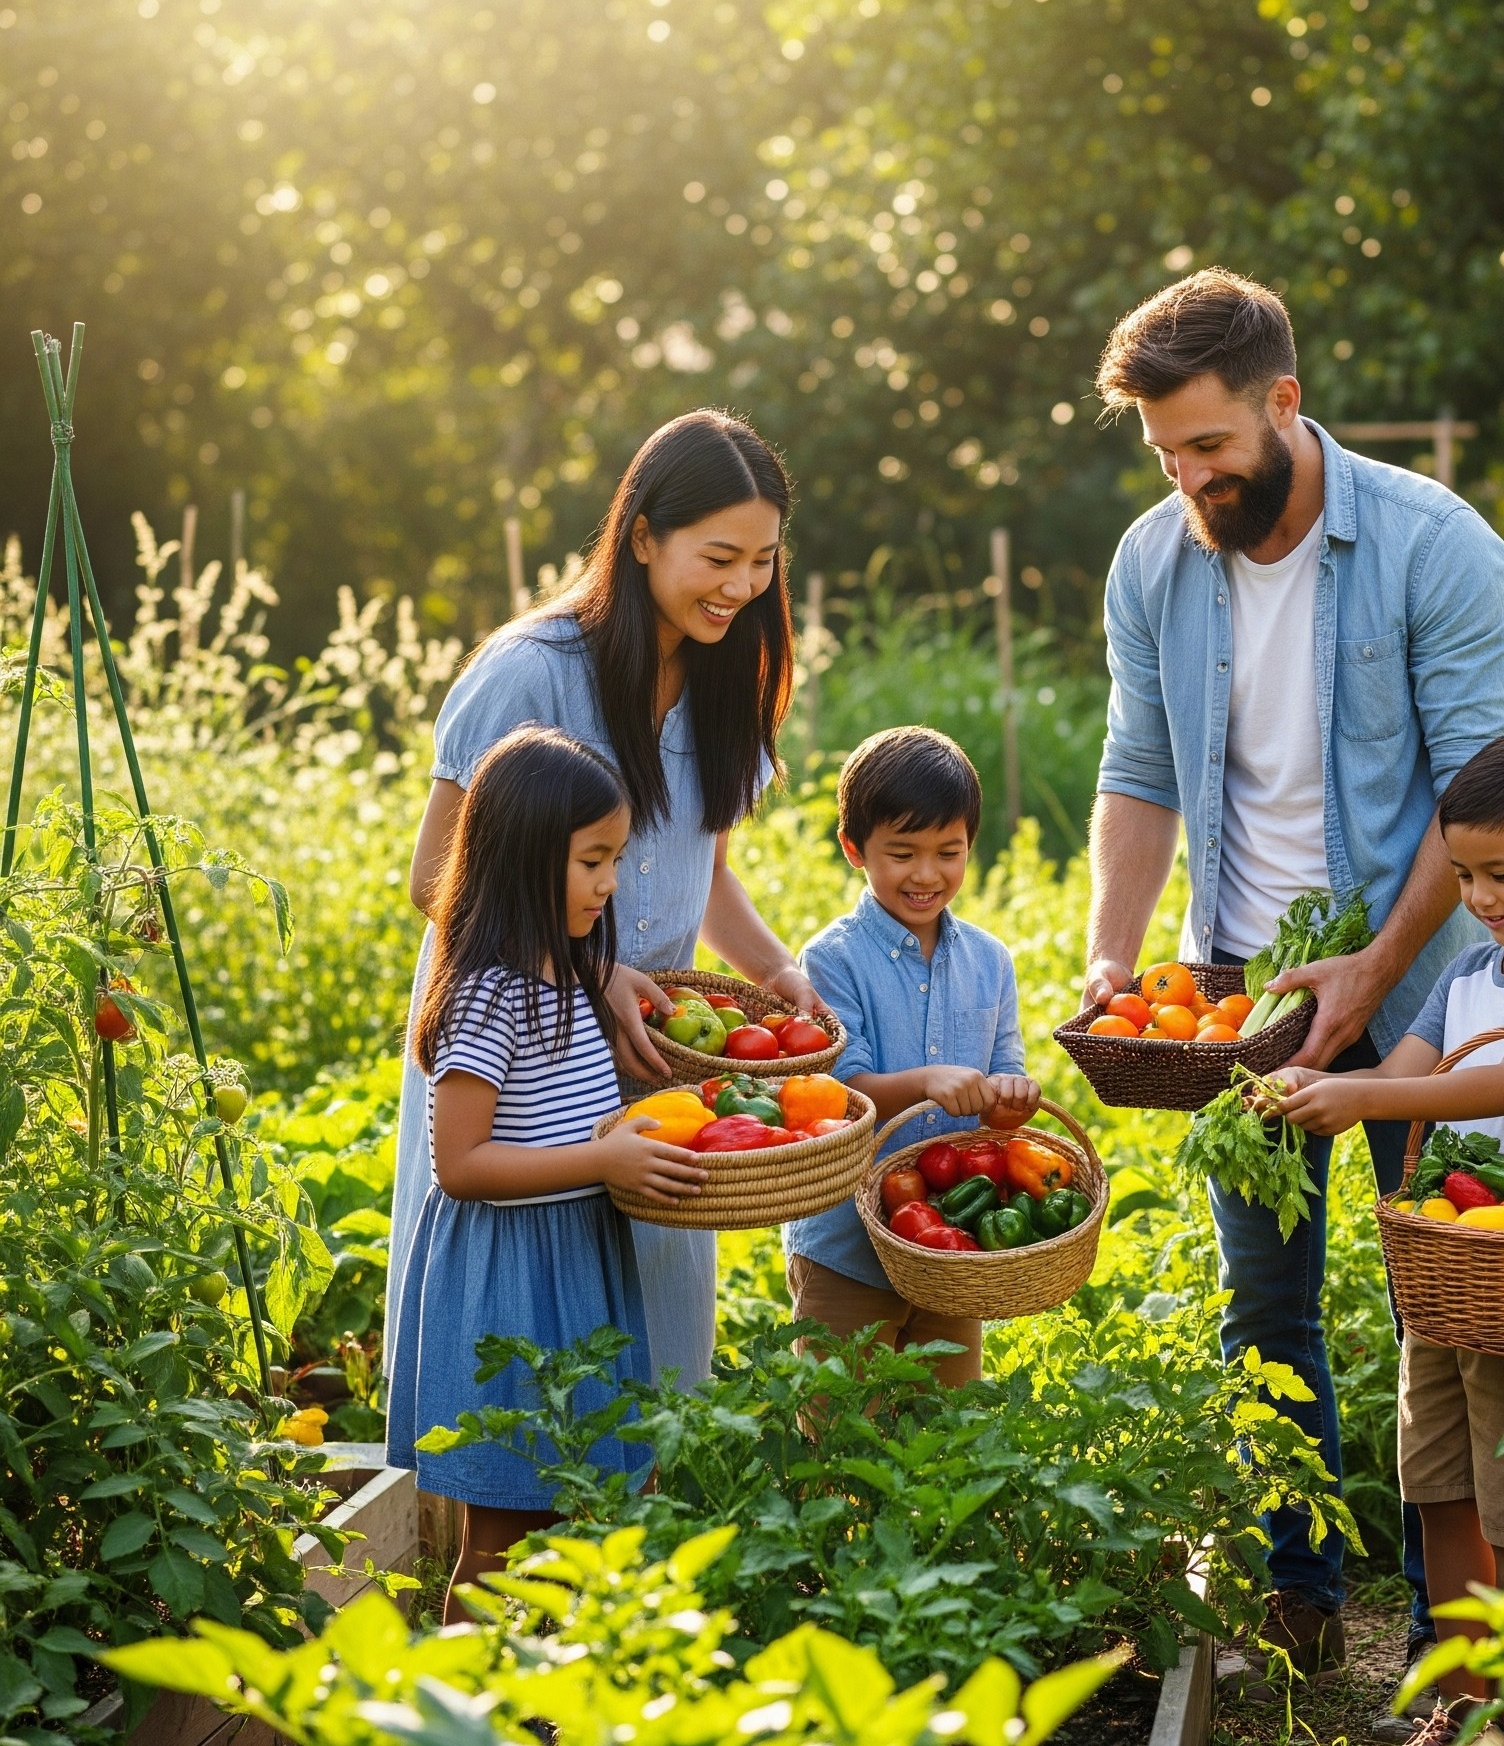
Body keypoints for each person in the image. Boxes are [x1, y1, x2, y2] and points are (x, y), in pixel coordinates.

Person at [1080, 268, 1504, 1680]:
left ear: (1284, 402)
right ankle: (1300, 1596)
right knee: (1262, 1306)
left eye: (1209, 445)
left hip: (1429, 991)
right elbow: (1138, 773)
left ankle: (1439, 1630)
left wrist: (1372, 970)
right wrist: (1111, 953)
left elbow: (1482, 806)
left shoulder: (1432, 547)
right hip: (1239, 1001)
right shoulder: (1155, 562)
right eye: (1165, 454)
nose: (1190, 478)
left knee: (1437, 1301)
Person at [391, 410, 823, 1393]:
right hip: (521, 1043)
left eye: (761, 561)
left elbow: (700, 869)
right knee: (518, 1343)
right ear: (640, 537)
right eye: (718, 556)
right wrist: (591, 968)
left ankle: (638, 1528)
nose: (741, 587)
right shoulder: (531, 671)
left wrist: (777, 972)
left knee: (651, 1339)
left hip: (648, 1037)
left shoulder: (726, 674)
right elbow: (433, 876)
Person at [1276, 730, 1504, 1746]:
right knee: (1432, 1474)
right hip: (1444, 1263)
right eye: (1465, 874)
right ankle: (1461, 1692)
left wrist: (1363, 1092)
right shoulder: (1466, 972)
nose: (1479, 898)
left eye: (1501, 874)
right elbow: (1422, 1064)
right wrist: (1326, 1082)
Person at [384, 727, 703, 1620]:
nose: (611, 883)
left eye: (615, 858)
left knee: (583, 1506)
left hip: (574, 1264)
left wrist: (632, 1133)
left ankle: (552, 1694)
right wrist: (604, 1157)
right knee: (504, 1530)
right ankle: (469, 1713)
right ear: (525, 861)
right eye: (593, 861)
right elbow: (461, 1164)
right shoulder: (489, 992)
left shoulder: (568, 973)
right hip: (508, 1283)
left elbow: (562, 1112)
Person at [782, 726, 1039, 1386]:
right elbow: (839, 1089)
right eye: (902, 853)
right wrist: (928, 1081)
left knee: (948, 1439)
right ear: (854, 850)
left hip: (951, 1246)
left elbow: (1005, 1070)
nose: (926, 874)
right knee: (842, 1437)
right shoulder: (832, 959)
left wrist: (1012, 1099)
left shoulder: (991, 962)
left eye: (948, 853)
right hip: (847, 1249)